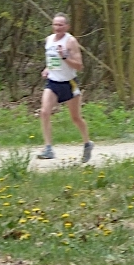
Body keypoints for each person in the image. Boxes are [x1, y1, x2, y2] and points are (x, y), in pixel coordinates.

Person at [37, 13, 92, 162]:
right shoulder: (49, 40)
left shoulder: (71, 41)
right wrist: (47, 68)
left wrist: (65, 57)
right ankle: (48, 148)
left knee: (75, 118)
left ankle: (87, 143)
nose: (57, 28)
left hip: (69, 83)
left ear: (67, 26)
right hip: (53, 82)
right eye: (55, 24)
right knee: (44, 112)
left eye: (61, 25)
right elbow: (51, 59)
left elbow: (79, 66)